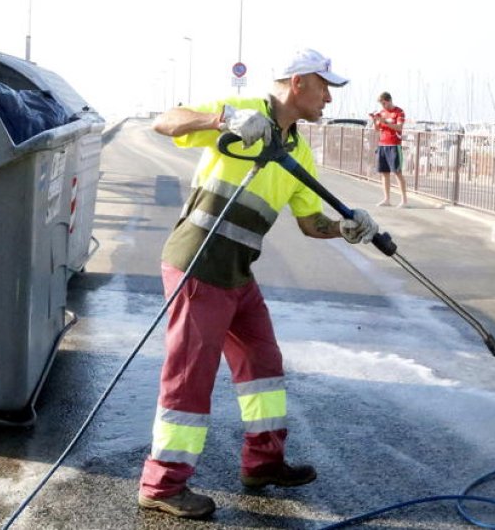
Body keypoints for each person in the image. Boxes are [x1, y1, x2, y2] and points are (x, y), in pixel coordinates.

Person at [137, 48, 379, 519]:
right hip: (198, 263)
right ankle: (162, 484)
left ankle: (263, 463)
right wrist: (223, 119)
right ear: (299, 83)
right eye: (325, 86)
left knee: (263, 364)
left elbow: (311, 223)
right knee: (190, 377)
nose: (329, 98)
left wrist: (346, 228)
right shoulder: (241, 111)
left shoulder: (299, 150)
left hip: (237, 272)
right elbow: (165, 122)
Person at [370, 91, 408, 207]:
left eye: (384, 103)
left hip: (394, 145)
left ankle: (404, 201)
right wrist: (375, 120)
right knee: (384, 173)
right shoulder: (382, 112)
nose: (383, 106)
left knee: (397, 172)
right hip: (382, 144)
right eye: (381, 104)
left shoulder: (399, 112)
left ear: (390, 100)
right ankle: (387, 199)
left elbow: (399, 127)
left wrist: (385, 121)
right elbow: (376, 129)